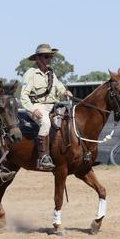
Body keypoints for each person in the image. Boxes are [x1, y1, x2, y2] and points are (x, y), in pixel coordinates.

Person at [20, 43, 73, 171]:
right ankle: (44, 157)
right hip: (37, 106)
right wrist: (33, 109)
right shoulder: (31, 73)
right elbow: (24, 96)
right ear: (38, 59)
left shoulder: (52, 74)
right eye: (46, 57)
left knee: (70, 119)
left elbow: (59, 88)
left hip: (53, 106)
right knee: (45, 123)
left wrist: (65, 92)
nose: (49, 59)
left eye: (50, 57)